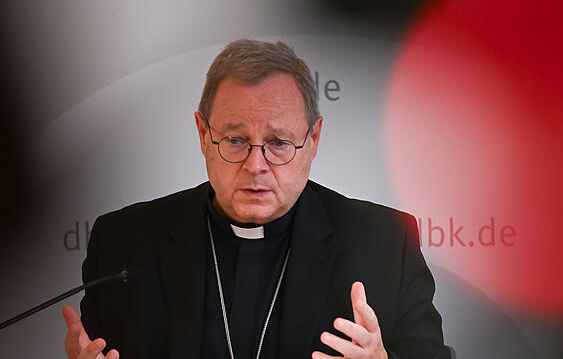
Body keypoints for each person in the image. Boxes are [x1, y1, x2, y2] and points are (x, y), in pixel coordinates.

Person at [62, 40, 451, 359]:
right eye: (235, 140)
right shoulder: (122, 245)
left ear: (313, 140)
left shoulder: (384, 243)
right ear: (202, 134)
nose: (255, 165)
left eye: (279, 143)